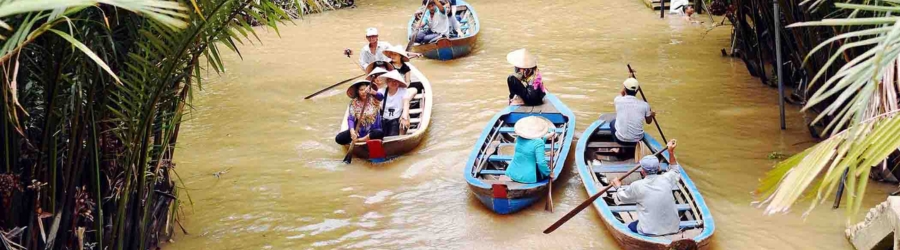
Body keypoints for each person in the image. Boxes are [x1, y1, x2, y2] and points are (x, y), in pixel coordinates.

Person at [612, 139, 682, 236]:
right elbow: (675, 169)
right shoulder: (667, 178)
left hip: (650, 231)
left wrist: (618, 187)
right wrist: (670, 152)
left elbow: (623, 197)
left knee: (631, 226)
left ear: (642, 171)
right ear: (658, 168)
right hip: (674, 228)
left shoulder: (637, 185)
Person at [504, 116, 556, 183]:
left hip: (513, 174)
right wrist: (549, 173)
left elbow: (532, 142)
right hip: (528, 178)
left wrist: (547, 136)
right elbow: (541, 162)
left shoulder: (519, 138)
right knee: (544, 168)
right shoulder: (539, 143)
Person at [335, 80, 385, 145]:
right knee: (339, 138)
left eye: (365, 89)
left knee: (379, 133)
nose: (364, 92)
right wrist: (352, 131)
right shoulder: (354, 103)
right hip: (359, 132)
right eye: (361, 90)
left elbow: (381, 97)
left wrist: (373, 92)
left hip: (372, 131)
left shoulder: (374, 98)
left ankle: (360, 140)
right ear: (357, 92)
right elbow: (351, 118)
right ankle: (356, 138)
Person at [610, 78, 655, 146]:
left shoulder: (618, 100)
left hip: (620, 140)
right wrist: (651, 115)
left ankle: (617, 147)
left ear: (625, 89)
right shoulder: (645, 105)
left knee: (612, 122)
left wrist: (629, 80)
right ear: (637, 91)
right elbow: (649, 122)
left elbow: (622, 93)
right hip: (637, 141)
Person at [376, 70, 414, 136]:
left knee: (405, 118)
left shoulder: (403, 91)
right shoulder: (381, 91)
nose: (394, 82)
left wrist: (404, 117)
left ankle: (400, 137)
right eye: (391, 80)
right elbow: (376, 104)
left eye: (396, 80)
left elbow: (406, 104)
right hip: (384, 119)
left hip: (397, 119)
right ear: (387, 82)